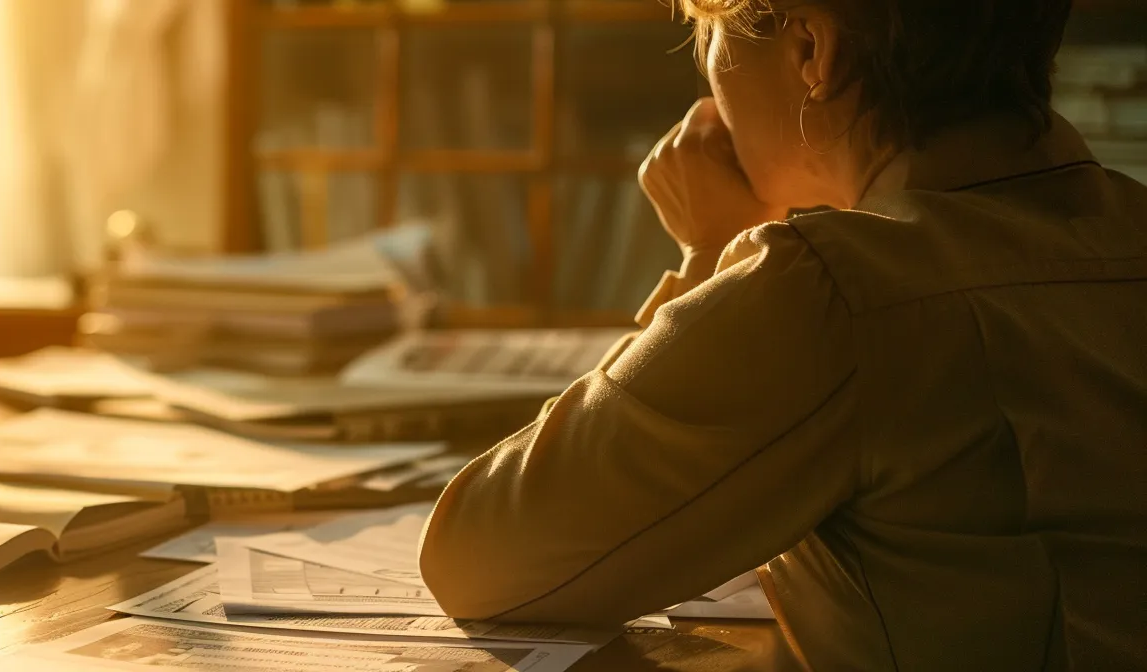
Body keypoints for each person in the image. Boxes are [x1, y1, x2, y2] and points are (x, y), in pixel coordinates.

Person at [417, 1, 1147, 670]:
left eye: (710, 36)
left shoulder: (837, 290)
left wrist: (714, 256)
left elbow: (481, 558)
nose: (706, 87)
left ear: (812, 50)